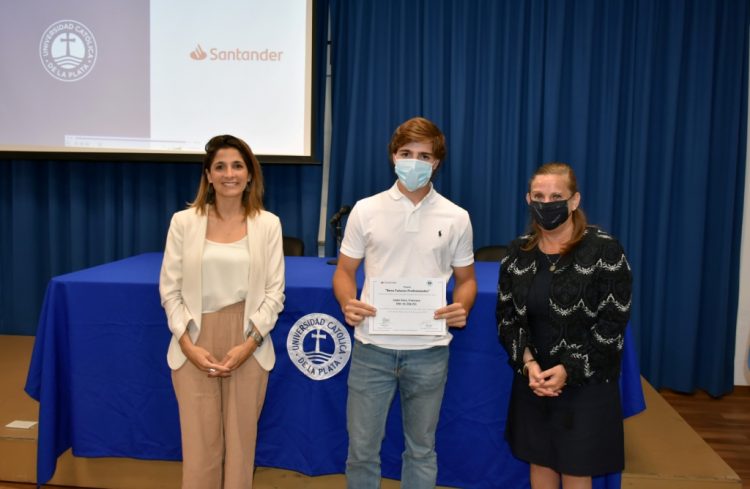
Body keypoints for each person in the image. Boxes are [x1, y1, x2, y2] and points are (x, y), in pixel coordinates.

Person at [333, 116, 477, 489]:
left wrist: (462, 306)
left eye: (424, 156)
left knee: (421, 450)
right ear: (393, 157)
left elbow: (467, 281)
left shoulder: (457, 217)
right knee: (362, 451)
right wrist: (348, 300)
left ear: (436, 162)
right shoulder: (366, 210)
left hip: (429, 351)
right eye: (406, 153)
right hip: (372, 347)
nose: (414, 162)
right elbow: (344, 272)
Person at [159, 134, 285, 489]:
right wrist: (187, 345)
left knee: (242, 447)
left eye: (237, 166)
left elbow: (275, 293)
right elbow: (169, 290)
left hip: (249, 339)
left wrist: (249, 344)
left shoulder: (268, 224)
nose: (229, 174)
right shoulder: (183, 222)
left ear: (250, 174)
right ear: (208, 176)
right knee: (199, 448)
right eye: (220, 167)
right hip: (194, 338)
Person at [496, 162, 632, 489]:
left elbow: (612, 323)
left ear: (574, 201)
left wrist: (567, 370)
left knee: (576, 468)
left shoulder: (604, 249)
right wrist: (528, 364)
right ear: (528, 199)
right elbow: (506, 317)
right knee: (540, 461)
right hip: (534, 380)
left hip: (585, 383)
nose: (547, 203)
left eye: (556, 196)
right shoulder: (518, 251)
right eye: (539, 196)